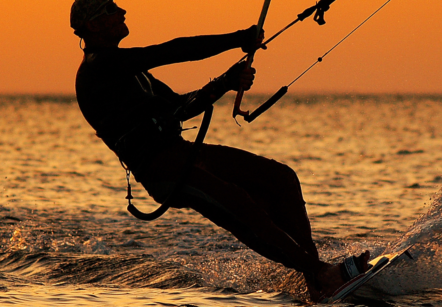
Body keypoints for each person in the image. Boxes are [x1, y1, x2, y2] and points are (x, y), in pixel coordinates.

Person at [70, 0, 369, 301]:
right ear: (93, 25)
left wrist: (224, 83)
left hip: (185, 153)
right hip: (163, 170)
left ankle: (317, 280)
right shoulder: (99, 68)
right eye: (111, 10)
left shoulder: (132, 71)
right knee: (240, 204)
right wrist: (238, 39)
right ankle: (321, 274)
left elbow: (180, 107)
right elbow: (173, 51)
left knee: (281, 178)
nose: (122, 12)